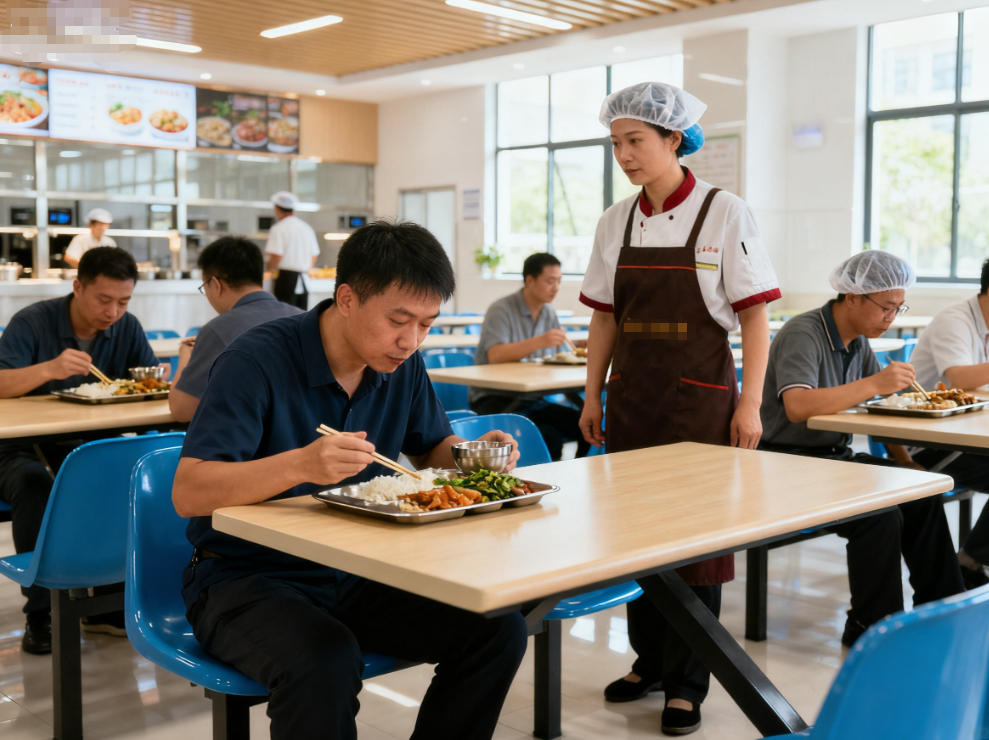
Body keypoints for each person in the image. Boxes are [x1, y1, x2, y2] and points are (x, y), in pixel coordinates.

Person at [172, 221, 528, 739]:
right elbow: (189, 490)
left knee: (496, 628)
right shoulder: (255, 360)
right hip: (244, 577)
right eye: (398, 320)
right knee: (325, 659)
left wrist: (474, 456)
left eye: (426, 324)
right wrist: (299, 464)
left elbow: (432, 446)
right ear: (346, 298)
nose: (410, 340)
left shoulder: (400, 364)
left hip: (357, 568)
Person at [577, 81, 780, 736]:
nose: (625, 155)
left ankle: (688, 683)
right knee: (633, 537)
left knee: (695, 545)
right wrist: (590, 393)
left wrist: (749, 406)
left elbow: (755, 318)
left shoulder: (726, 212)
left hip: (702, 401)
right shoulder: (615, 221)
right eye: (615, 143)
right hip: (632, 397)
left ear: (674, 139)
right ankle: (648, 663)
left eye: (635, 141)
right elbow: (605, 320)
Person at [759, 250, 963, 646]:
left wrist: (904, 462)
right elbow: (798, 406)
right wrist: (875, 384)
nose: (891, 318)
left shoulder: (857, 342)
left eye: (897, 309)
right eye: (885, 307)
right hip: (782, 464)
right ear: (852, 296)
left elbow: (878, 406)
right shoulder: (804, 332)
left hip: (831, 461)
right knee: (879, 514)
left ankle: (941, 614)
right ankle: (873, 628)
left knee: (920, 494)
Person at [0, 247, 161, 654]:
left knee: (123, 475)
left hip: (84, 441)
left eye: (123, 302)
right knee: (36, 485)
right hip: (18, 445)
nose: (113, 312)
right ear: (77, 287)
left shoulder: (128, 328)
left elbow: (149, 389)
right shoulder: (33, 322)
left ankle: (106, 603)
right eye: (104, 300)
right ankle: (41, 614)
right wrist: (49, 369)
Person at [909, 257, 989, 588]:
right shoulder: (955, 319)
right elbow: (958, 377)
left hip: (969, 432)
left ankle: (971, 559)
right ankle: (970, 561)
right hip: (928, 441)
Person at [470, 252, 590, 460]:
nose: (556, 288)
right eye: (550, 281)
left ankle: (584, 476)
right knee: (548, 437)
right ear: (529, 280)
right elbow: (495, 355)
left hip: (530, 398)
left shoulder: (548, 312)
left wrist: (580, 345)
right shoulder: (501, 309)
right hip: (495, 398)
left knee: (585, 425)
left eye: (559, 281)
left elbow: (557, 354)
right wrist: (540, 341)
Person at [168, 236, 301, 422]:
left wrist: (184, 358)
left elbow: (183, 410)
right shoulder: (303, 319)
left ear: (215, 284)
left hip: (250, 446)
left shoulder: (219, 330)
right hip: (309, 438)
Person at [264, 191, 319, 309]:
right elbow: (314, 255)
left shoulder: (279, 228)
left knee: (284, 317)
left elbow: (276, 255)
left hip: (285, 280)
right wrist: (306, 268)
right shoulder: (306, 227)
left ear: (277, 209)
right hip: (304, 280)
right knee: (302, 317)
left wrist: (270, 269)